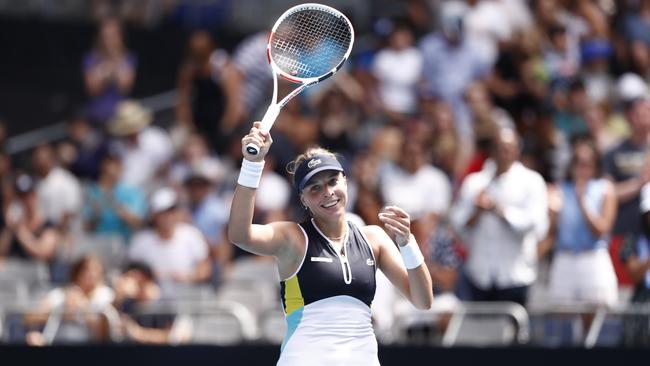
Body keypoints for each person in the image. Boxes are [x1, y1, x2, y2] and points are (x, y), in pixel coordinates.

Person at [228, 122, 433, 365]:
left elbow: (423, 301)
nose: (327, 192)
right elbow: (240, 234)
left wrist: (408, 243)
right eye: (315, 188)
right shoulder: (293, 238)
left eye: (333, 181)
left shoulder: (374, 239)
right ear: (303, 199)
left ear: (345, 181)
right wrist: (252, 164)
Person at [450, 128, 549, 306]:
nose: (503, 153)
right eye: (499, 147)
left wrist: (499, 210)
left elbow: (532, 223)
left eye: (508, 148)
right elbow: (458, 223)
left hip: (515, 275)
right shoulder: (475, 182)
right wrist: (477, 210)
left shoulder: (532, 182)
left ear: (517, 149)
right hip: (480, 274)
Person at [83, 16, 136, 126]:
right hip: (96, 118)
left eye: (113, 36)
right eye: (105, 37)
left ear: (120, 37)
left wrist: (115, 61)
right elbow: (92, 89)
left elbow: (125, 87)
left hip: (120, 118)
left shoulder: (128, 58)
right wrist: (104, 72)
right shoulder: (91, 58)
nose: (108, 41)